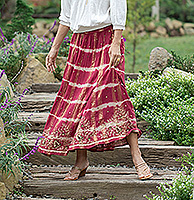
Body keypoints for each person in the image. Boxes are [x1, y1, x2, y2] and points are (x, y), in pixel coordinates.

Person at [38, 0, 153, 181]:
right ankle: (81, 161)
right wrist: (54, 48)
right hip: (79, 44)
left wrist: (116, 43)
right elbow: (66, 18)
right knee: (79, 100)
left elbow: (118, 7)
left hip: (106, 41)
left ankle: (137, 157)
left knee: (115, 95)